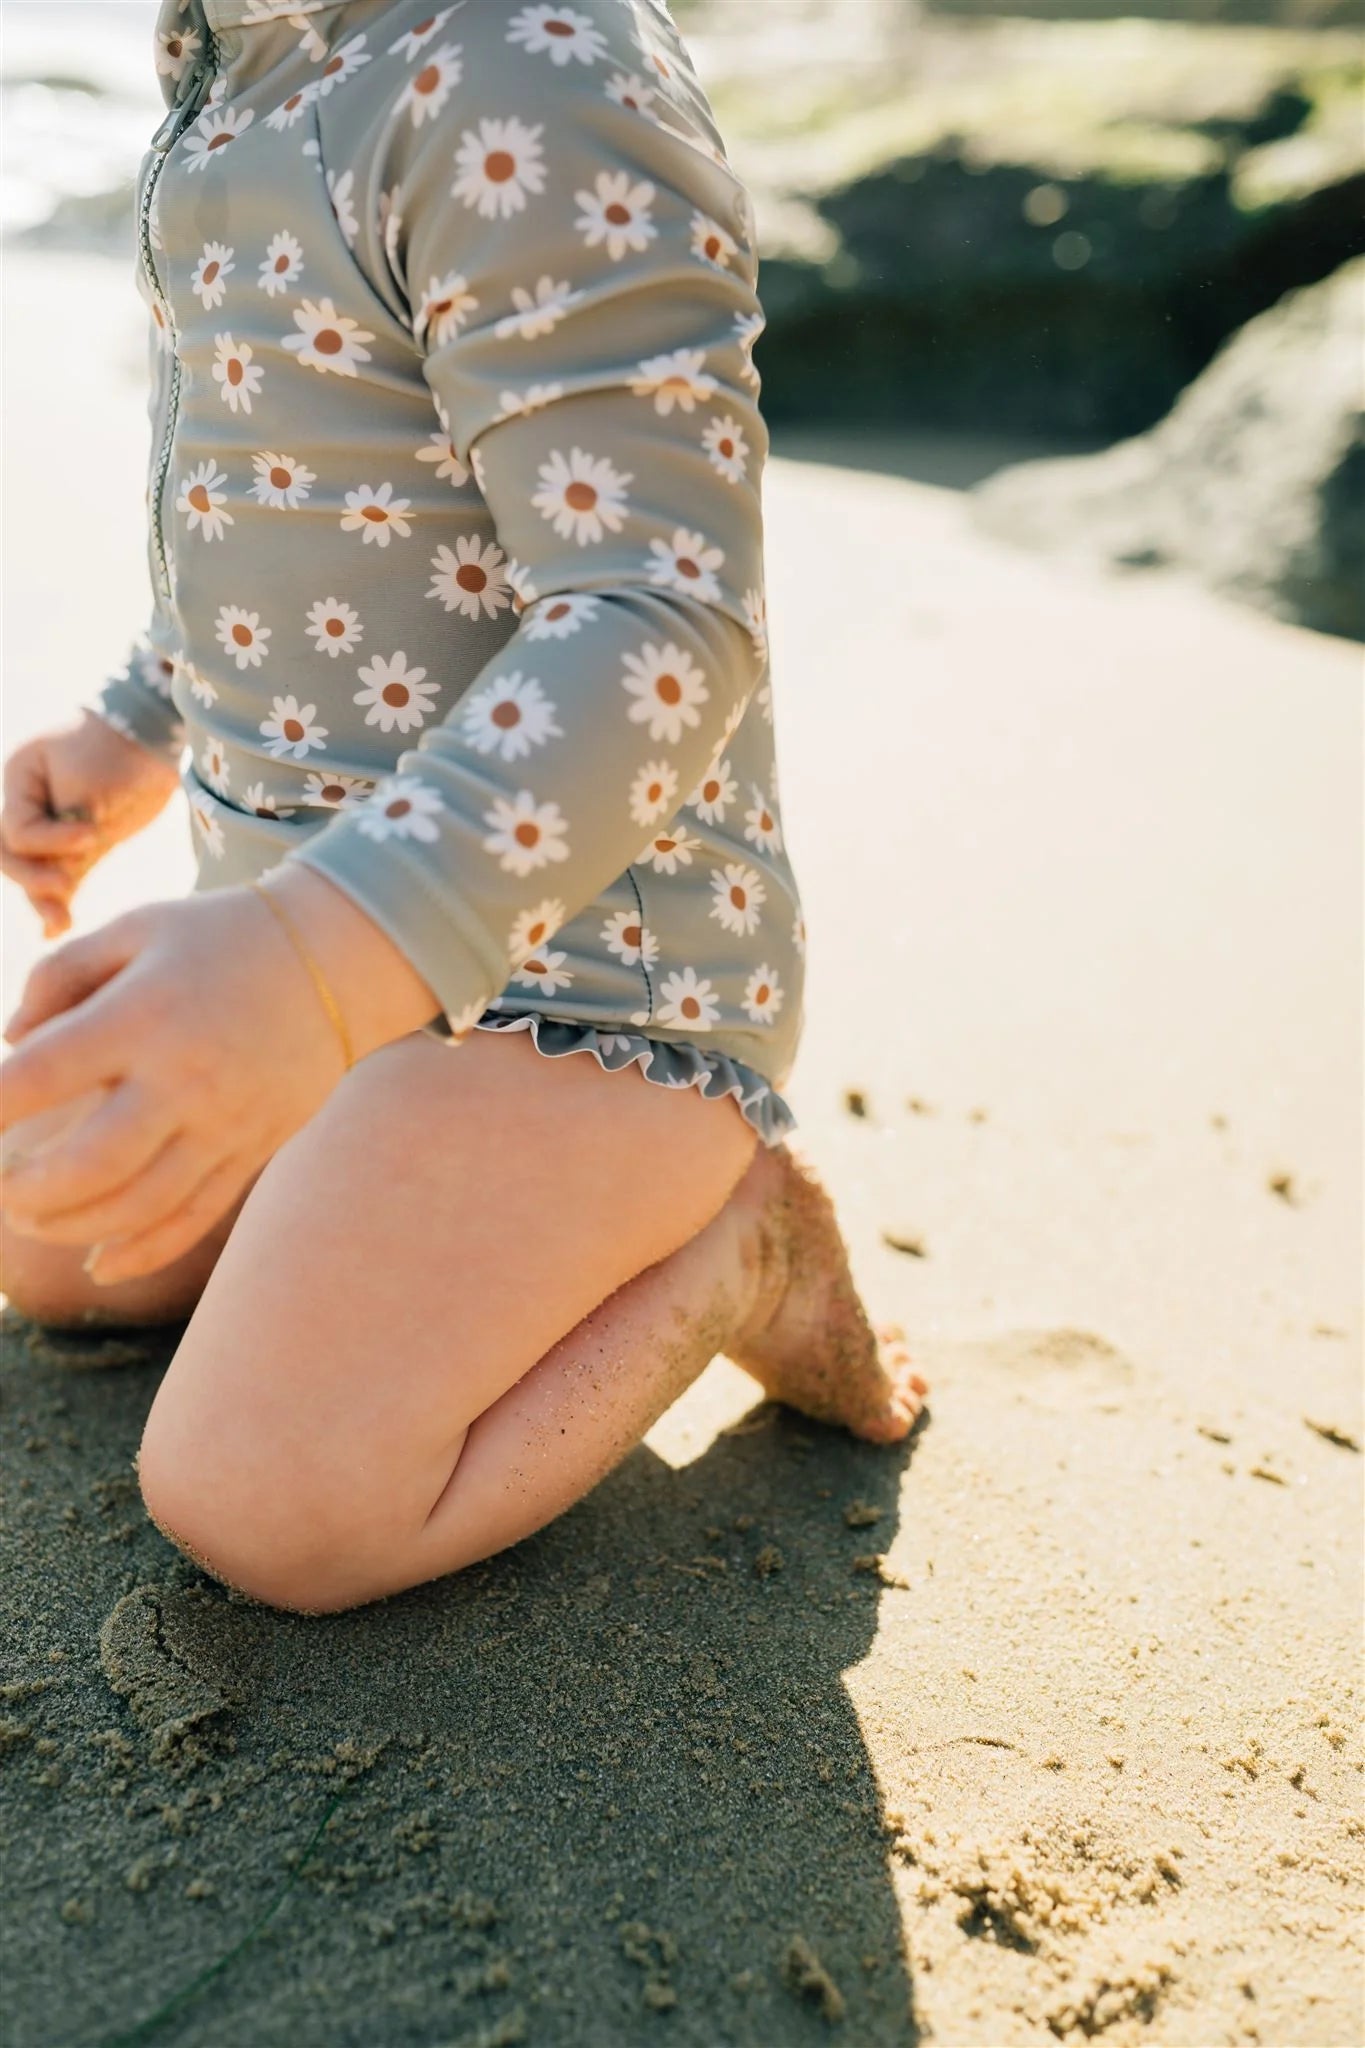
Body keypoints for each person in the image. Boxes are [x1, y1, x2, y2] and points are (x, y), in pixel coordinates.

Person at [0, 0, 925, 1614]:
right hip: (318, 951)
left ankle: (736, 1239)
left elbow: (660, 614)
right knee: (50, 1239)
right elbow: (309, 490)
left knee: (269, 1500)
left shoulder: (523, 68)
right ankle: (341, 1154)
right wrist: (140, 720)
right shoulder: (246, 47)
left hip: (579, 985)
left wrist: (307, 964)